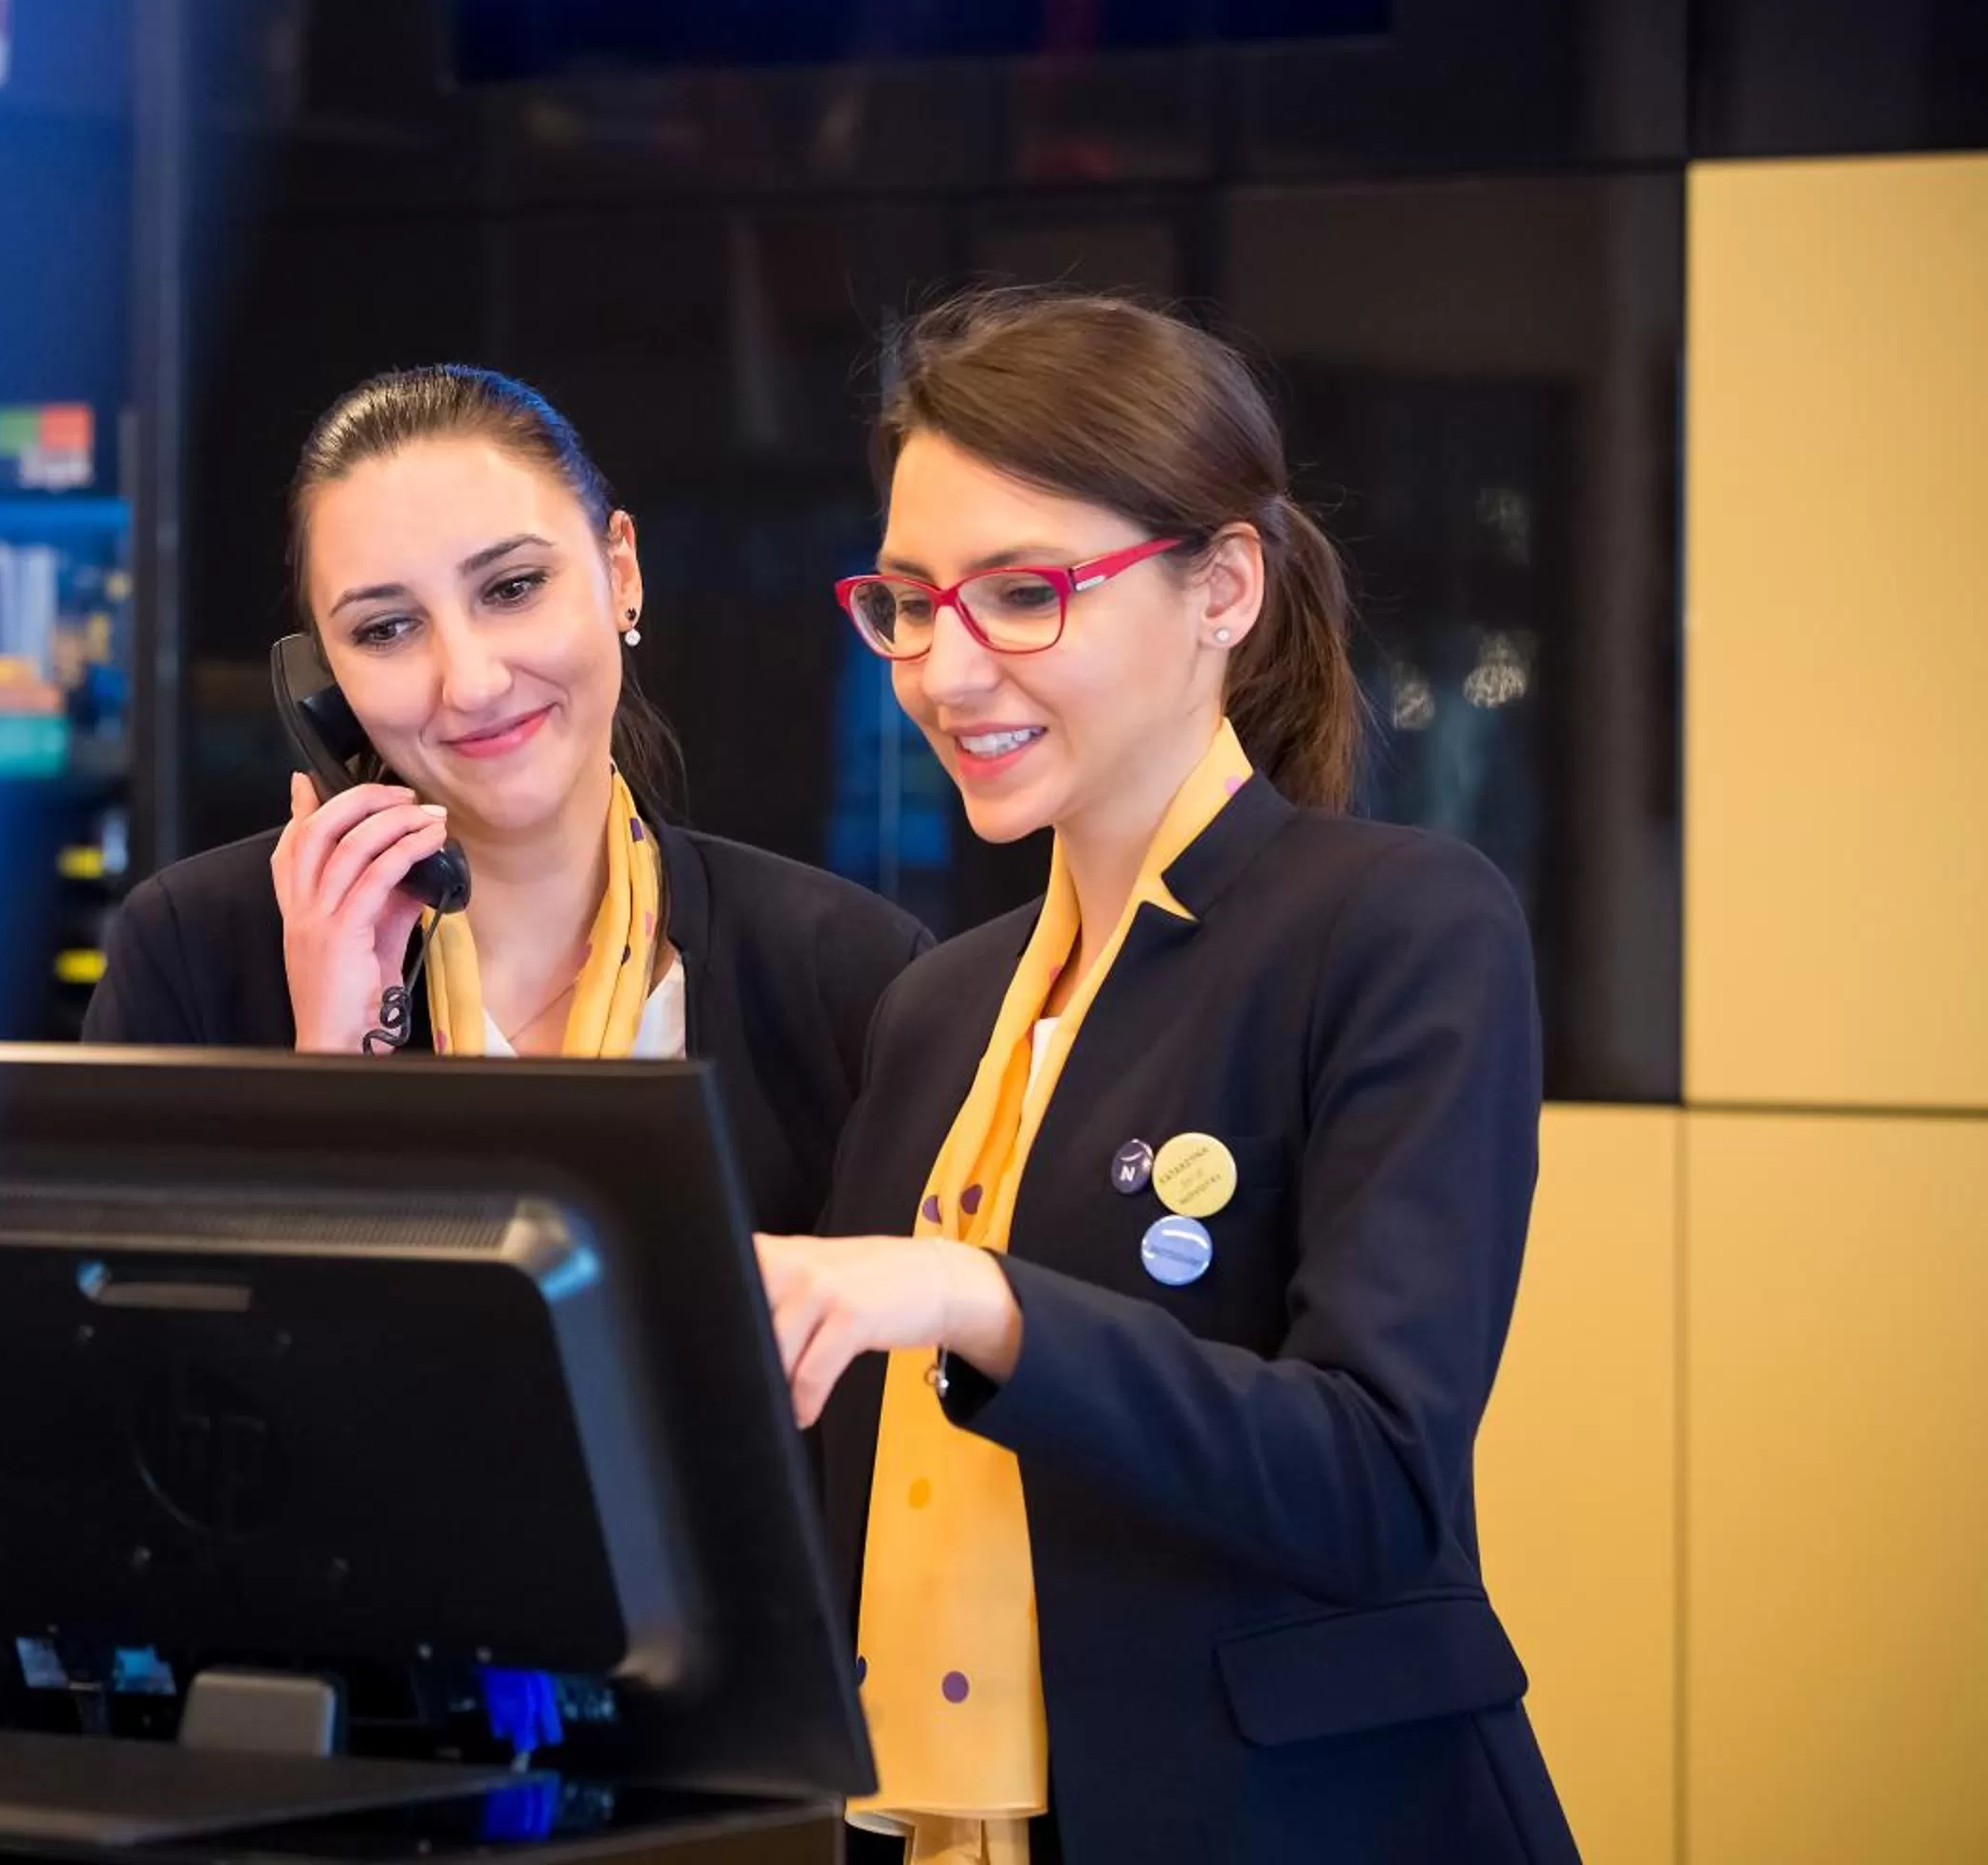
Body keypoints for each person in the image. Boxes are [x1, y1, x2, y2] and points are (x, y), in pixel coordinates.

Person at [755, 293, 1577, 1865]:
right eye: (912, 604)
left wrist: (976, 1301)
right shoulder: (939, 1006)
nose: (947, 668)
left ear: (1225, 587)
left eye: (1025, 594)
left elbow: (1378, 1481)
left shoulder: (1396, 922)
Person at [85, 363, 932, 1238]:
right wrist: (331, 1069)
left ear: (622, 571)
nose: (473, 682)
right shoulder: (193, 955)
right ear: (323, 681)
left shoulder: (848, 974)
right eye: (385, 629)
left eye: (513, 588)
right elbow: (134, 1368)